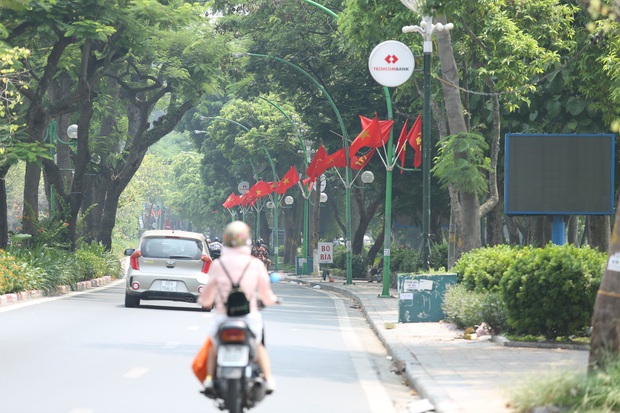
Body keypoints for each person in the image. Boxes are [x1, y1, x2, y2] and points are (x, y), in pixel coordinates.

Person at [199, 221, 278, 393]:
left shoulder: (218, 264)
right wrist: (271, 300)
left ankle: (210, 380)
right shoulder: (255, 264)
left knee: (213, 344)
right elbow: (266, 294)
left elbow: (207, 295)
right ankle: (269, 379)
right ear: (247, 241)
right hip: (248, 317)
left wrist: (205, 302)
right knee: (258, 346)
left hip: (224, 317)